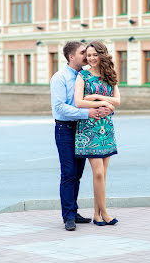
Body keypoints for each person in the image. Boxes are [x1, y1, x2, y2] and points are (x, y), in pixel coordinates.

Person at [50, 41, 113, 231]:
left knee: (77, 174)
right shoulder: (59, 78)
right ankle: (68, 216)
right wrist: (88, 113)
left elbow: (101, 97)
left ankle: (74, 211)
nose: (87, 56)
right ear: (71, 57)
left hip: (84, 129)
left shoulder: (85, 76)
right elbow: (59, 108)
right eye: (83, 53)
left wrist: (104, 109)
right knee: (68, 173)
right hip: (65, 129)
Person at [74, 40, 120, 226]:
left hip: (106, 129)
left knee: (102, 176)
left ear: (102, 55)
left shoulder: (110, 76)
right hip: (89, 130)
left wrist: (97, 97)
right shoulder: (82, 76)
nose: (91, 58)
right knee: (98, 174)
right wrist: (104, 104)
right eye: (89, 55)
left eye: (95, 55)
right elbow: (79, 102)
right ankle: (105, 213)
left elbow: (117, 100)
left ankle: (96, 214)